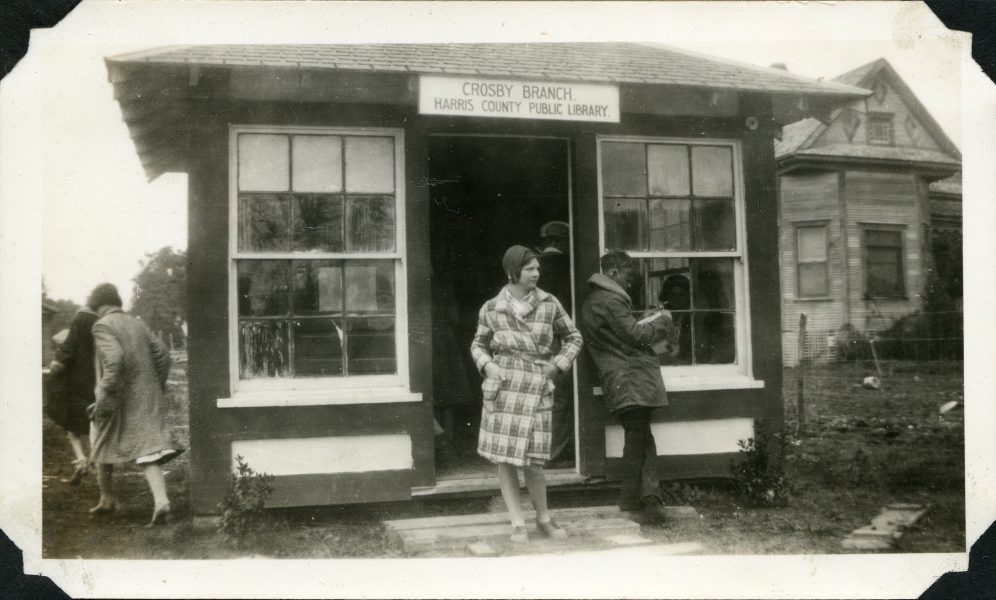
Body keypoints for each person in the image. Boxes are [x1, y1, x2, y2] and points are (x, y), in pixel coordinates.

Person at [471, 245, 583, 544]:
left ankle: (543, 517)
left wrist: (556, 366)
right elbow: (477, 345)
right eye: (530, 268)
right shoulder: (491, 307)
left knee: (534, 460)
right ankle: (517, 522)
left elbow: (573, 337)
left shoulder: (549, 303)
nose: (536, 273)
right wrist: (488, 365)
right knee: (504, 459)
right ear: (513, 271)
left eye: (537, 269)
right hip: (504, 387)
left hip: (537, 384)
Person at [580, 250, 678, 522]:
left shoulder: (596, 300)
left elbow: (621, 335)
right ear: (612, 274)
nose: (631, 282)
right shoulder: (611, 301)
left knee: (639, 439)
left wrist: (643, 320)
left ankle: (641, 500)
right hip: (631, 379)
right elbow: (636, 336)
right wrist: (663, 321)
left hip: (621, 380)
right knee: (639, 439)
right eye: (628, 276)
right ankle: (642, 501)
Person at [86, 283, 183, 526]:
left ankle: (109, 499)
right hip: (145, 396)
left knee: (101, 440)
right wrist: (154, 384)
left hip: (117, 397)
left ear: (99, 306)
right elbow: (162, 353)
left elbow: (115, 359)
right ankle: (159, 501)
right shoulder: (137, 323)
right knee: (148, 448)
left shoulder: (102, 325)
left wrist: (106, 390)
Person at [46, 305, 101, 484]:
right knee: (95, 425)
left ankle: (82, 460)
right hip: (96, 385)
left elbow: (63, 352)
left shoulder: (74, 332)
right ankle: (94, 461)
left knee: (71, 426)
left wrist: (56, 365)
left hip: (75, 388)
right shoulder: (101, 333)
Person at [535, 221, 575, 462]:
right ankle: (552, 453)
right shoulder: (570, 265)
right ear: (562, 242)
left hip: (535, 339)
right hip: (561, 339)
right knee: (559, 398)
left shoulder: (533, 267)